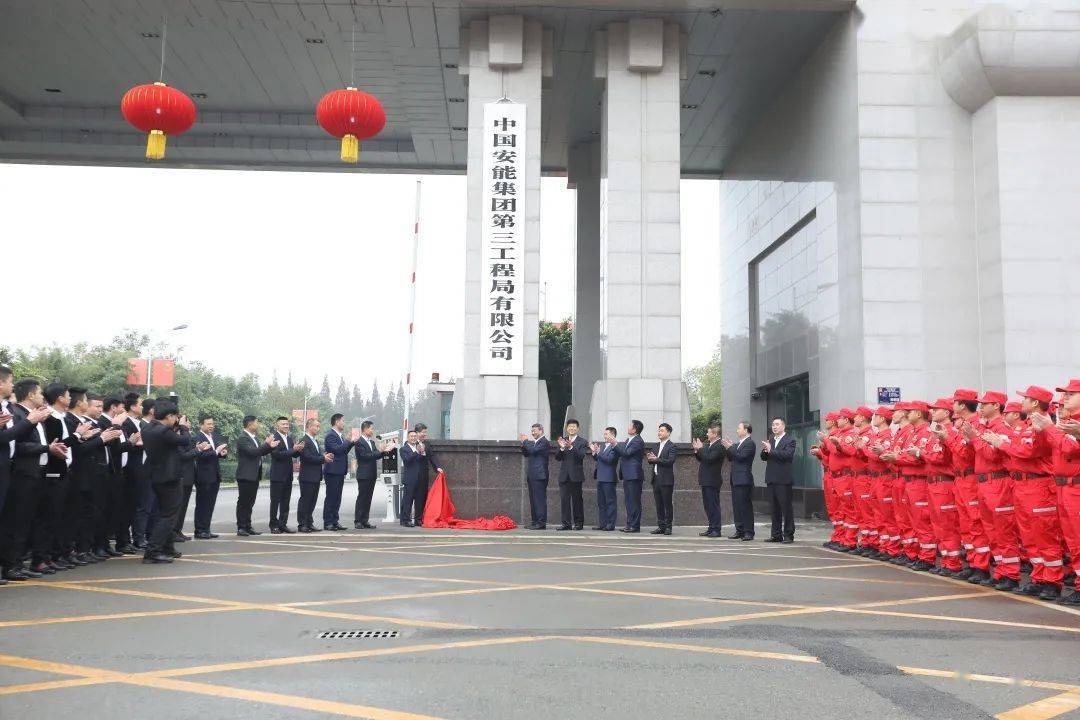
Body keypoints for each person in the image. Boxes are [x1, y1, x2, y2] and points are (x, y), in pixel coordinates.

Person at [984, 386, 1065, 601]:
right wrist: (1006, 446)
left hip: (1038, 486)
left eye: (1026, 399)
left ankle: (1052, 581)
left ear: (1036, 403)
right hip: (1022, 486)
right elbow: (1016, 453)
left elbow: (1028, 452)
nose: (1022, 402)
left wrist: (1002, 444)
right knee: (1030, 536)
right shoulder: (1028, 425)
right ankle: (1039, 578)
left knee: (1044, 535)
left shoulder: (1040, 426)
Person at [140, 401, 191, 563]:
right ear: (169, 416)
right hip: (169, 477)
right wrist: (184, 427)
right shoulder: (163, 431)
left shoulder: (148, 428)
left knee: (165, 513)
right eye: (175, 417)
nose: (176, 420)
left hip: (157, 476)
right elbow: (185, 441)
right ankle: (153, 551)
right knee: (169, 515)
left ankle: (166, 547)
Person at [235, 415, 276, 536]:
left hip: (254, 475)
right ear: (250, 424)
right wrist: (267, 444)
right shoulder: (243, 438)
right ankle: (241, 527)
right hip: (245, 475)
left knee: (250, 502)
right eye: (256, 423)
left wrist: (270, 447)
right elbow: (252, 452)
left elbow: (260, 451)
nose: (257, 425)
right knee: (243, 502)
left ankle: (247, 526)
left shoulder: (254, 438)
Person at [760, 416, 796, 543]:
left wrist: (771, 450)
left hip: (783, 479)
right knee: (774, 508)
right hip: (771, 478)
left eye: (777, 424)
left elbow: (787, 455)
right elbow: (764, 457)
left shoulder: (790, 440)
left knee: (786, 508)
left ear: (783, 426)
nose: (774, 427)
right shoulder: (771, 439)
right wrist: (765, 451)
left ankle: (788, 534)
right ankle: (776, 534)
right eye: (773, 425)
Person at [192, 415, 227, 539]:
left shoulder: (213, 437)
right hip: (203, 476)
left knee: (210, 504)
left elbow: (213, 455)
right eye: (208, 424)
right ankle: (200, 530)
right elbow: (200, 456)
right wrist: (216, 451)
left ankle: (206, 529)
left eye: (212, 424)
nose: (211, 426)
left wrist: (221, 454)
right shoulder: (198, 438)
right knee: (202, 504)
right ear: (201, 425)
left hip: (214, 475)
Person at [354, 420, 393, 530]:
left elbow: (375, 455)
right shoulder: (359, 442)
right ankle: (358, 521)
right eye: (371, 428)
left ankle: (365, 520)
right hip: (363, 474)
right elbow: (364, 456)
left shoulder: (371, 442)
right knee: (362, 498)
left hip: (371, 474)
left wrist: (384, 451)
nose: (372, 430)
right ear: (365, 429)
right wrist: (379, 451)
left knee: (368, 498)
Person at [322, 413, 356, 531]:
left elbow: (343, 451)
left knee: (337, 497)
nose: (344, 423)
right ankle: (328, 522)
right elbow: (337, 450)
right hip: (332, 471)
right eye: (342, 420)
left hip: (339, 470)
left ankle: (335, 521)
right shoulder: (330, 436)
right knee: (331, 497)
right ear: (336, 422)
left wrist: (351, 442)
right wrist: (347, 441)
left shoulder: (340, 436)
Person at [268, 416, 302, 533]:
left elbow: (293, 455)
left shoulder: (289, 438)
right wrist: (293, 450)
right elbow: (277, 455)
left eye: (287, 424)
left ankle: (283, 524)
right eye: (283, 424)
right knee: (275, 501)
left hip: (288, 475)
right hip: (277, 475)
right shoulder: (274, 438)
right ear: (277, 425)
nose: (286, 426)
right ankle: (273, 525)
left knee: (285, 501)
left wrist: (298, 449)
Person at [297, 417, 331, 532]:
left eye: (318, 426)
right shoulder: (304, 440)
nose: (318, 428)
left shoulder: (314, 440)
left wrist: (324, 456)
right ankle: (302, 524)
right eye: (316, 426)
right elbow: (306, 457)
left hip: (315, 476)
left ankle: (309, 523)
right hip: (307, 476)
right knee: (305, 501)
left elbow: (315, 456)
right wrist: (323, 458)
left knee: (312, 501)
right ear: (309, 426)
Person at [723, 421, 755, 540]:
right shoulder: (738, 444)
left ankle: (748, 532)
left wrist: (731, 448)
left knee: (745, 506)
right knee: (736, 506)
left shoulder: (750, 443)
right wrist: (729, 448)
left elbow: (741, 457)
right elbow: (731, 457)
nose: (737, 430)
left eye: (739, 428)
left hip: (744, 479)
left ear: (746, 430)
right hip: (735, 479)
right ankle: (739, 530)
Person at [555, 419, 588, 531]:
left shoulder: (582, 441)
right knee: (564, 500)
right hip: (564, 475)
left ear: (577, 429)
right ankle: (566, 524)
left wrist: (571, 447)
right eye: (569, 427)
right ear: (567, 428)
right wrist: (562, 447)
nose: (571, 428)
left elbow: (581, 456)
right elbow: (558, 457)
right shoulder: (563, 440)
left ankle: (578, 523)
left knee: (577, 500)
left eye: (574, 427)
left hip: (576, 475)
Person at [693, 423, 725, 537]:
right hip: (705, 479)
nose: (706, 434)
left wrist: (701, 449)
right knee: (707, 505)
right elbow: (702, 458)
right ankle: (711, 527)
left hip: (713, 480)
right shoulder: (708, 445)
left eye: (708, 432)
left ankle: (716, 529)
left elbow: (709, 459)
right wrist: (697, 450)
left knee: (713, 505)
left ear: (715, 434)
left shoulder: (719, 446)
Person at [613, 419, 645, 533]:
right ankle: (629, 524)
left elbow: (626, 453)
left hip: (634, 475)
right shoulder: (628, 440)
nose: (628, 427)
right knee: (628, 501)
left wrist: (615, 444)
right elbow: (622, 452)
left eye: (630, 426)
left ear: (635, 429)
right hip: (627, 474)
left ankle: (635, 526)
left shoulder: (638, 441)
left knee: (634, 501)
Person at [645, 423, 676, 535]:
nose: (659, 432)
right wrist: (650, 459)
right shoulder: (655, 445)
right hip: (656, 478)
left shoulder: (671, 446)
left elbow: (670, 461)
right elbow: (652, 460)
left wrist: (656, 459)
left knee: (667, 504)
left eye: (662, 430)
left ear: (668, 432)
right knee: (659, 504)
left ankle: (668, 527)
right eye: (659, 430)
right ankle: (661, 526)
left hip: (666, 479)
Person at [519, 423, 550, 530]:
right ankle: (535, 521)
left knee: (539, 500)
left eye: (535, 430)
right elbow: (526, 453)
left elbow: (533, 450)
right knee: (533, 500)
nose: (532, 433)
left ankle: (541, 523)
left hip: (540, 475)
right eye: (532, 431)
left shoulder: (544, 442)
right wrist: (523, 444)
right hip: (532, 475)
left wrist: (526, 441)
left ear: (541, 431)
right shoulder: (535, 443)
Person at [589, 426, 619, 531]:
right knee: (601, 503)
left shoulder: (615, 447)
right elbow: (599, 458)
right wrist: (594, 452)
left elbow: (609, 460)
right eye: (604, 434)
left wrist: (598, 452)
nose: (604, 436)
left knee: (610, 502)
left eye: (607, 434)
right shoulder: (603, 446)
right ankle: (602, 524)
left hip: (609, 478)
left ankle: (610, 524)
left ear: (613, 435)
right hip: (600, 477)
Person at [399, 429, 426, 527]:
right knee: (408, 500)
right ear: (408, 438)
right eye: (411, 436)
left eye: (415, 436)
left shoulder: (419, 447)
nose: (413, 438)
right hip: (410, 479)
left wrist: (422, 453)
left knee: (419, 501)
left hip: (419, 479)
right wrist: (416, 452)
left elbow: (421, 460)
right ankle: (406, 520)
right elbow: (407, 460)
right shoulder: (403, 449)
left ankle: (418, 520)